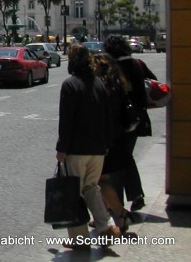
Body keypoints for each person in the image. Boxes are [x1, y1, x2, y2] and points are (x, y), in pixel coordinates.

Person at [56, 44, 121, 247]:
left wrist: (62, 148)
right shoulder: (99, 85)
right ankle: (105, 226)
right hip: (98, 149)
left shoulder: (70, 85)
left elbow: (67, 121)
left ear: (72, 61)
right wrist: (106, 144)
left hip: (76, 149)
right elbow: (107, 117)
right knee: (92, 188)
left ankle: (79, 238)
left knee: (73, 192)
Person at [92, 52, 142, 232]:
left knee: (102, 180)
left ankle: (119, 215)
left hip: (108, 140)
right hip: (120, 137)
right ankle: (107, 213)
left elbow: (103, 117)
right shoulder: (119, 84)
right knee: (105, 179)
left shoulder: (103, 88)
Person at [103, 35, 153, 212]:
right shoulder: (138, 64)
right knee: (126, 156)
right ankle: (136, 196)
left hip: (118, 120)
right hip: (137, 118)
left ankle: (116, 205)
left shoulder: (111, 67)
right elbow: (152, 84)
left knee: (114, 161)